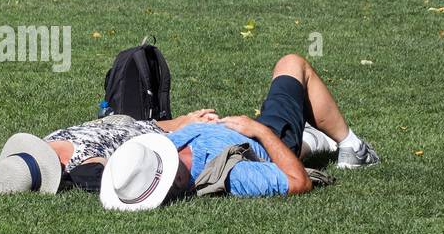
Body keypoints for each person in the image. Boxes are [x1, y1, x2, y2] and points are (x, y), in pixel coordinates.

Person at [100, 54, 380, 210]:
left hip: (246, 130)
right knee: (292, 64)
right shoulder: (234, 177)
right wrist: (259, 130)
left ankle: (311, 140)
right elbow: (298, 182)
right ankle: (353, 148)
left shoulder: (168, 149)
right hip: (270, 137)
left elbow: (144, 132)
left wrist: (189, 120)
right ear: (171, 181)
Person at [0, 108, 220, 195]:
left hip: (151, 131)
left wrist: (181, 122)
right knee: (217, 126)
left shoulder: (83, 164)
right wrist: (181, 123)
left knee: (208, 122)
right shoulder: (52, 138)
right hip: (156, 134)